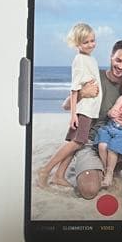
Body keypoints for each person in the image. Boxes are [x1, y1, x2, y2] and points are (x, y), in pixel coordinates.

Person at [71, 39, 122, 200]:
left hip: (116, 138)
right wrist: (82, 93)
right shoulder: (94, 77)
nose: (121, 66)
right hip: (89, 142)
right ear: (111, 56)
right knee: (89, 191)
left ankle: (112, 168)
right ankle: (92, 167)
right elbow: (67, 105)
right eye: (118, 60)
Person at [37, 23, 100, 188]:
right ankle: (45, 169)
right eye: (86, 42)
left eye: (92, 40)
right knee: (77, 142)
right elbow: (74, 89)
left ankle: (59, 175)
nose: (91, 44)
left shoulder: (90, 59)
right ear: (77, 44)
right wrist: (73, 115)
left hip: (91, 109)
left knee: (76, 142)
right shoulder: (79, 60)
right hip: (84, 109)